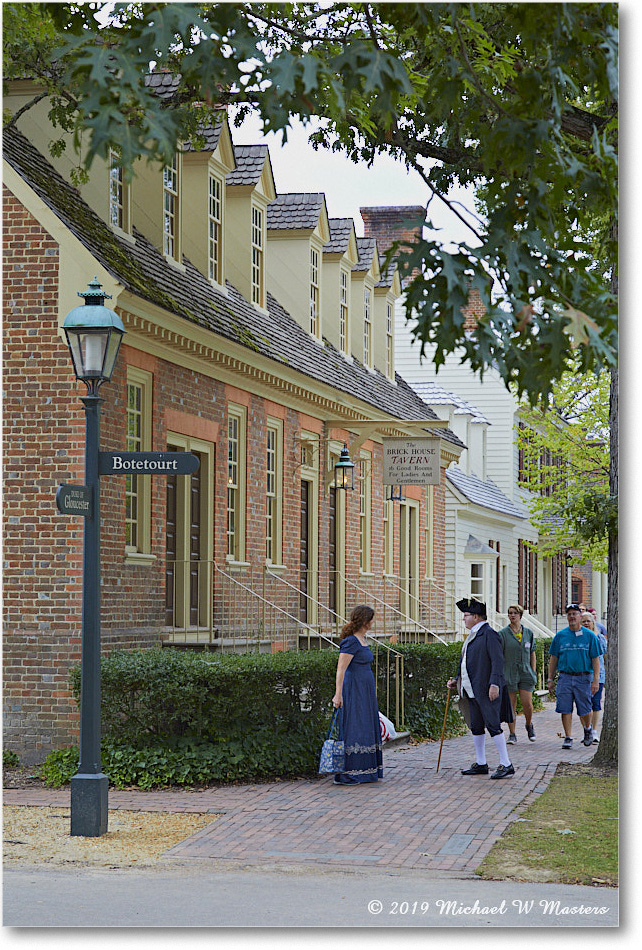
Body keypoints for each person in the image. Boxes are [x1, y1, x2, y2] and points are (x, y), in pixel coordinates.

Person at [447, 597, 515, 779]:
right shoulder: (472, 635)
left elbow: (497, 661)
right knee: (476, 726)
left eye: (466, 615)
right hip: (471, 688)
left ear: (476, 617)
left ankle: (506, 763)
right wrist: (456, 679)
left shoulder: (490, 634)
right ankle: (481, 763)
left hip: (486, 688)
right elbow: (467, 661)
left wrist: (494, 684)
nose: (464, 619)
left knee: (493, 725)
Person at [332, 605, 383, 785]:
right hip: (354, 689)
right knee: (356, 726)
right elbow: (341, 669)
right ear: (364, 621)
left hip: (365, 690)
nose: (372, 623)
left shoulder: (362, 639)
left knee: (366, 726)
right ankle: (352, 771)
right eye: (370, 619)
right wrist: (338, 694)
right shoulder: (351, 642)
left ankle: (367, 770)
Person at [547, 603, 603, 749]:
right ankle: (568, 737)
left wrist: (596, 680)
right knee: (565, 708)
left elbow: (595, 659)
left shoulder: (590, 636)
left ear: (580, 616)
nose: (572, 617)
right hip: (565, 676)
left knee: (585, 708)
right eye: (569, 614)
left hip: (584, 677)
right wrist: (550, 679)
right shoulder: (560, 636)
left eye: (575, 614)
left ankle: (588, 728)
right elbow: (553, 658)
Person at [498, 605, 538, 743]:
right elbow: (499, 655)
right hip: (509, 672)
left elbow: (532, 653)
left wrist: (533, 671)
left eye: (515, 613)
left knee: (527, 703)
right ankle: (512, 733)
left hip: (525, 672)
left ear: (520, 615)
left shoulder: (528, 633)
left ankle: (529, 724)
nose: (512, 615)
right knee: (511, 705)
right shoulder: (503, 634)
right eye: (510, 613)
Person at [582, 611, 607, 744]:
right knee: (583, 704)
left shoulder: (599, 637)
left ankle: (594, 730)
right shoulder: (579, 637)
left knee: (595, 704)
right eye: (583, 621)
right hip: (582, 675)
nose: (586, 623)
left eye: (588, 621)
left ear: (593, 623)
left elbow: (604, 654)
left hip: (598, 675)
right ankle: (586, 730)